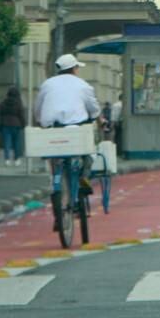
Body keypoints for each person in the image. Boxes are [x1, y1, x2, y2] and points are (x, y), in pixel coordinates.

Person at [34, 54, 101, 231]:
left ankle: (57, 203)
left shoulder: (47, 84)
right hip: (75, 132)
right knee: (88, 155)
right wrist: (96, 118)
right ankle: (83, 179)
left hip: (52, 133)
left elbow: (38, 110)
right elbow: (94, 109)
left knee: (56, 165)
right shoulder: (83, 85)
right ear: (74, 69)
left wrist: (40, 120)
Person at [0, 86, 26, 166]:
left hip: (5, 124)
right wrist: (23, 124)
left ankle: (7, 159)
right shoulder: (18, 103)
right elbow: (21, 115)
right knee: (17, 143)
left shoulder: (4, 102)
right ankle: (16, 159)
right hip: (16, 124)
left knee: (7, 143)